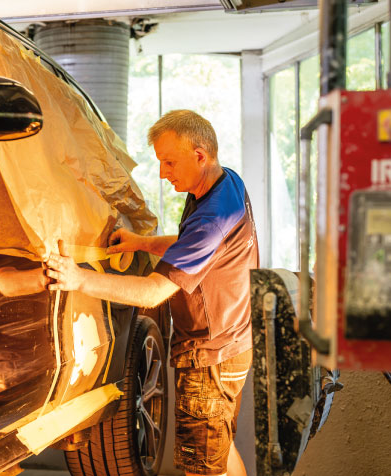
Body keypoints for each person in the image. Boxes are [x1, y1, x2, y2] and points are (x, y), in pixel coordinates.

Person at [45, 109, 258, 476]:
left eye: (169, 162)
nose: (162, 172)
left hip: (210, 356)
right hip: (232, 345)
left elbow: (153, 292)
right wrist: (142, 242)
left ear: (200, 156)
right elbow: (193, 246)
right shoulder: (226, 184)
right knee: (219, 451)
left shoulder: (212, 216)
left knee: (203, 469)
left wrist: (77, 279)